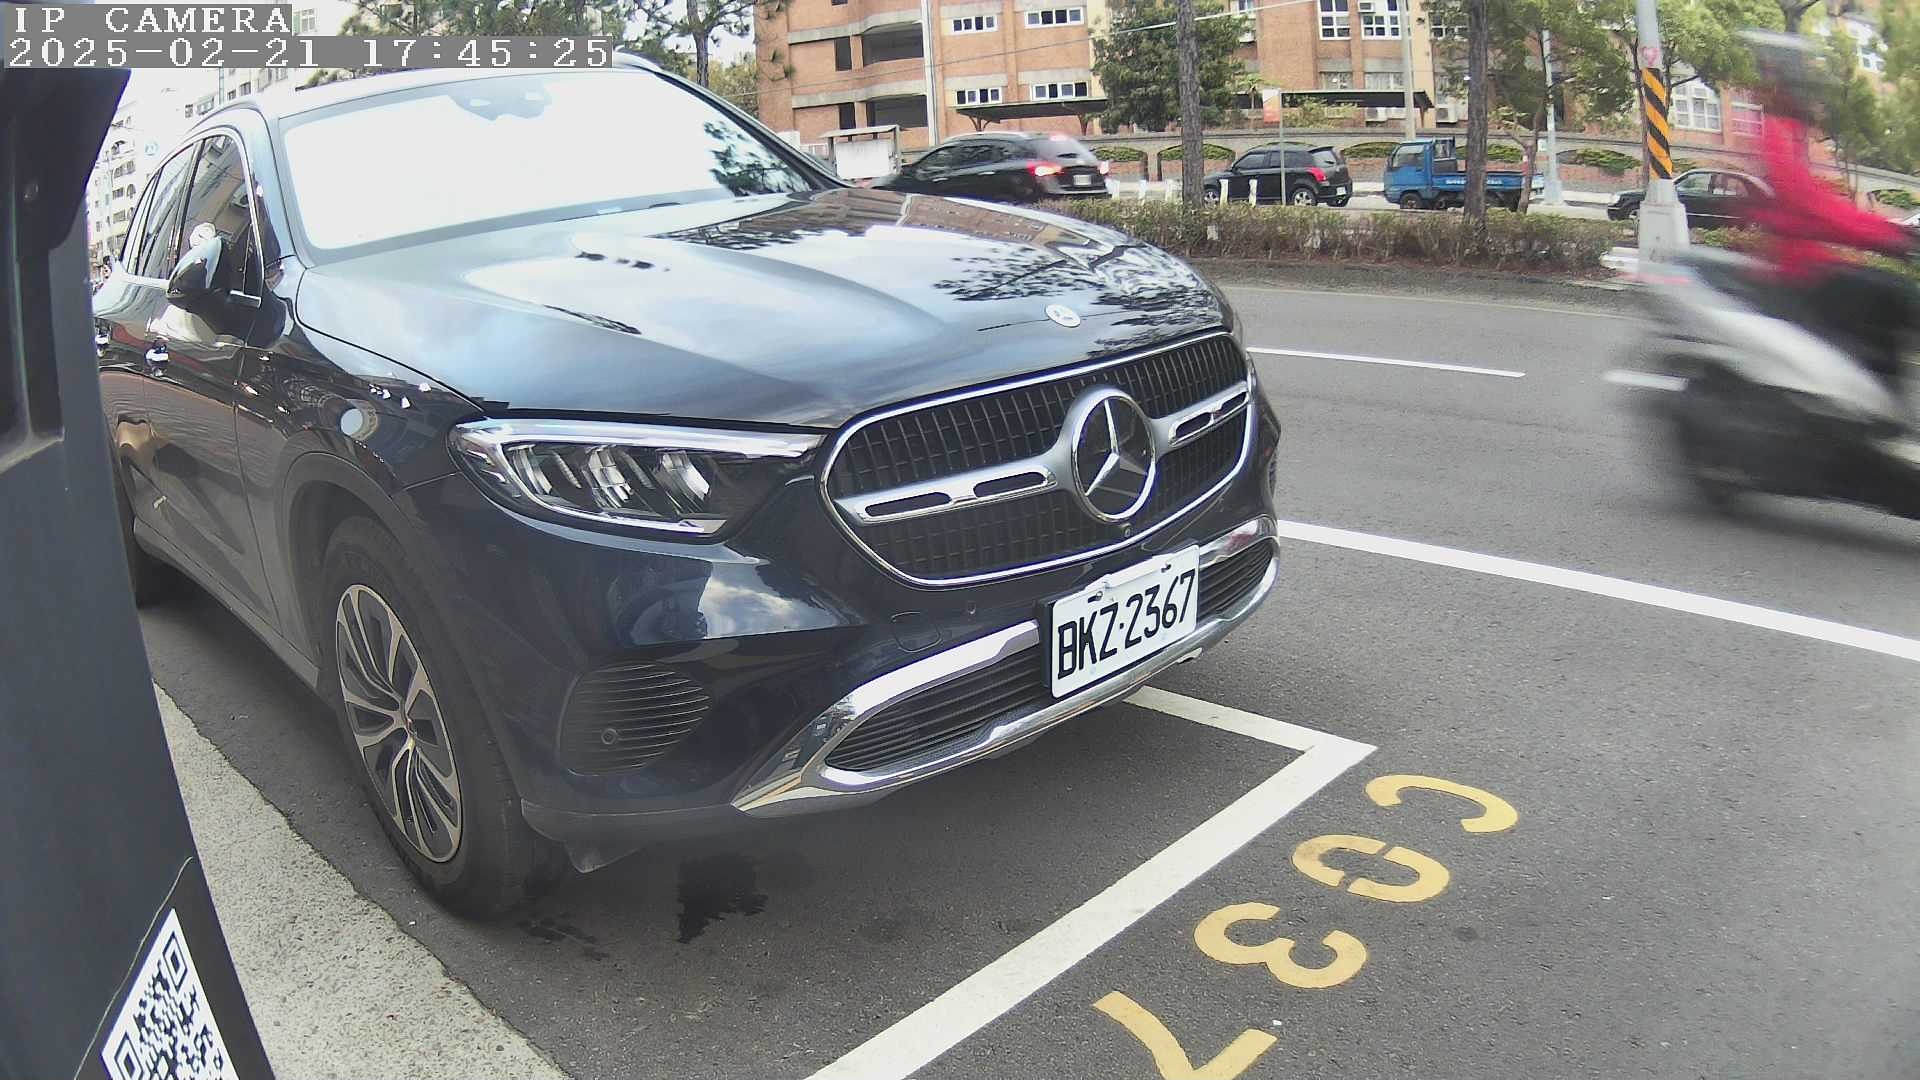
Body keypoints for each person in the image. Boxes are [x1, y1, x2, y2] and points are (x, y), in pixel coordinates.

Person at [1743, 31, 1916, 386]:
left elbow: (1821, 205)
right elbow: (1812, 206)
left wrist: (1888, 232)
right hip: (1801, 271)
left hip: (1810, 263)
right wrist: (1887, 235)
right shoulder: (1777, 134)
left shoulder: (1790, 133)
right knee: (1899, 296)